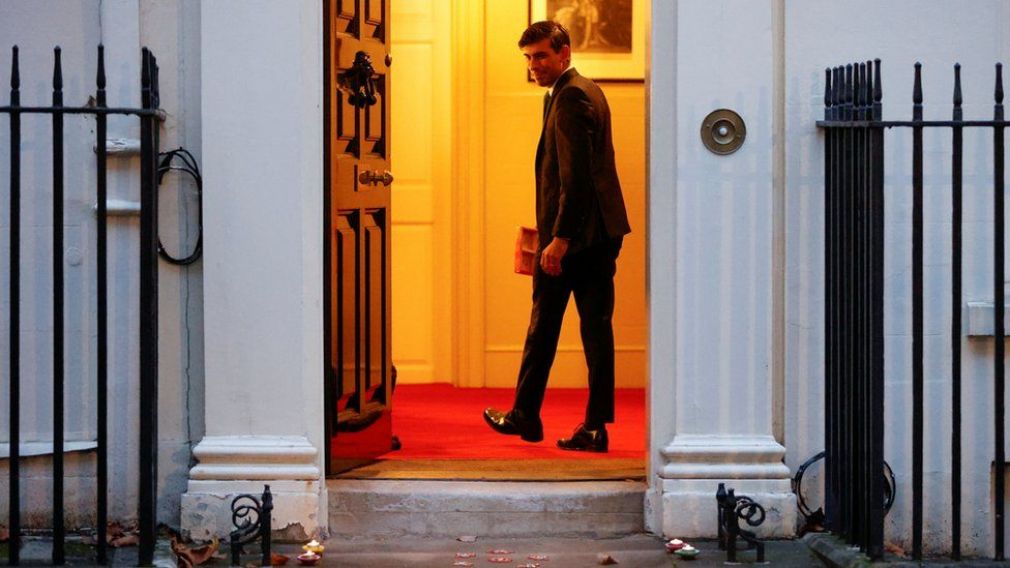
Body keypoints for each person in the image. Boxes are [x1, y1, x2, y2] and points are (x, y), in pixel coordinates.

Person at [483, 21, 630, 453]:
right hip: (596, 234)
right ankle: (588, 426)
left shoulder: (571, 97)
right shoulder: (583, 90)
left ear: (564, 52)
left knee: (545, 326)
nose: (534, 66)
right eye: (528, 58)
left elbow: (578, 179)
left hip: (578, 239)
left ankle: (528, 416)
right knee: (591, 329)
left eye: (541, 56)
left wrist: (560, 238)